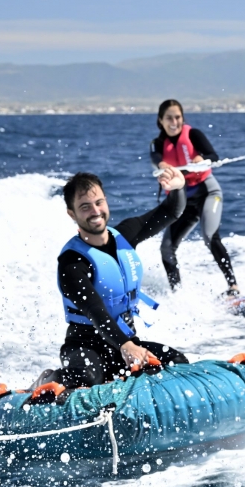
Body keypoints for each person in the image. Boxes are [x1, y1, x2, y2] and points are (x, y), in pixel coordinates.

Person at [35, 167, 190, 397]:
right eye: (85, 207)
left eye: (99, 202)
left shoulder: (125, 235)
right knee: (88, 380)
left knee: (176, 361)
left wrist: (177, 188)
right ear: (72, 214)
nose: (95, 211)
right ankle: (50, 379)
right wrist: (125, 346)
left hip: (126, 342)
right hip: (84, 346)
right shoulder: (72, 262)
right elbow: (95, 310)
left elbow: (171, 211)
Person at [150, 99, 239, 294]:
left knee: (209, 237)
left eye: (178, 117)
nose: (174, 122)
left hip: (207, 193)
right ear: (161, 121)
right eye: (169, 118)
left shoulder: (193, 134)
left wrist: (202, 159)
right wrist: (162, 165)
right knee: (166, 248)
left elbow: (213, 156)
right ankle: (177, 294)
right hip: (182, 202)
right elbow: (156, 159)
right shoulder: (157, 144)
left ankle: (233, 286)